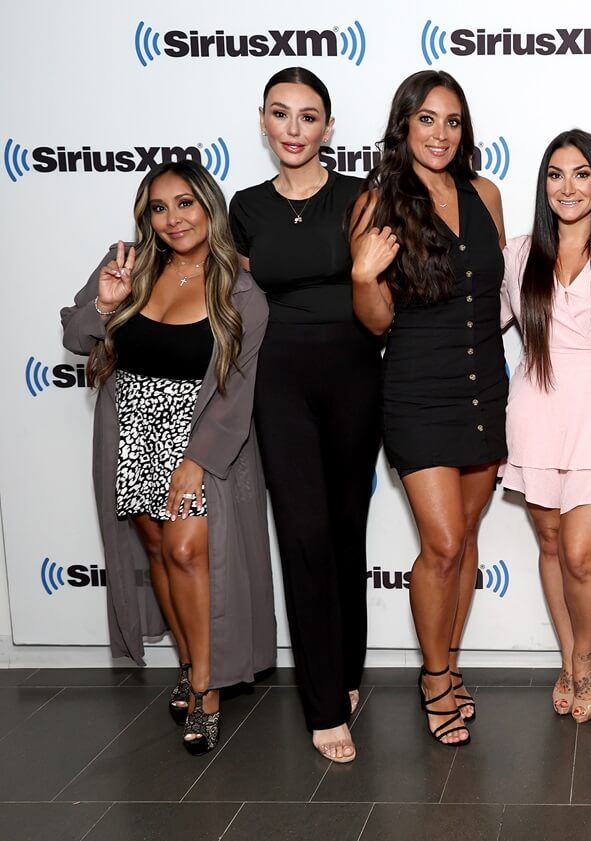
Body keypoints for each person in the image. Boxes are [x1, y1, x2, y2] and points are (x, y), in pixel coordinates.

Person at [61, 160, 275, 754]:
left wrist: (196, 461)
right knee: (158, 549)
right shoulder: (128, 264)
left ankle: (206, 690)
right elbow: (76, 337)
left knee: (187, 550)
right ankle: (187, 663)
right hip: (133, 427)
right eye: (159, 207)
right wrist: (105, 305)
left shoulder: (240, 288)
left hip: (200, 433)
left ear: (210, 206)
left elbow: (238, 387)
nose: (174, 219)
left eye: (186, 204)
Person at [350, 70, 506, 747]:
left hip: (484, 387)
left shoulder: (485, 193)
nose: (441, 134)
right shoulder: (376, 203)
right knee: (440, 542)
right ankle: (435, 674)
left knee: (466, 539)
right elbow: (377, 321)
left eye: (452, 121)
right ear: (403, 125)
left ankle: (449, 658)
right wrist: (361, 275)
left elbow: (496, 293)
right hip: (416, 388)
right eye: (427, 120)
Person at [229, 67, 379, 764]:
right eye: (281, 114)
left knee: (347, 530)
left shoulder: (358, 197)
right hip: (278, 381)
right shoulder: (245, 206)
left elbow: (380, 289)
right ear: (263, 121)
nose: (294, 129)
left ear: (328, 128)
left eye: (308, 116)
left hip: (354, 372)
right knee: (303, 531)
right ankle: (323, 705)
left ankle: (346, 669)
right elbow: (232, 298)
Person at [500, 129, 591, 723]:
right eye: (555, 175)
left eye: (581, 173)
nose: (568, 187)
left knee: (584, 554)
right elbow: (473, 327)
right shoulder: (518, 254)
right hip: (535, 410)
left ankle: (587, 656)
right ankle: (569, 658)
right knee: (553, 544)